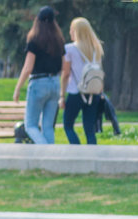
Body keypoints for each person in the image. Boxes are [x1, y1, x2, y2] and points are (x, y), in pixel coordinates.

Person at [12, 6, 66, 145]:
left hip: (38, 83)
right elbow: (65, 68)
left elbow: (28, 67)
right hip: (55, 82)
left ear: (37, 20)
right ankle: (51, 159)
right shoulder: (59, 41)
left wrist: (18, 88)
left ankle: (46, 151)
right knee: (48, 127)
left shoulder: (34, 40)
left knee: (30, 126)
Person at [59, 17, 104, 145]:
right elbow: (100, 71)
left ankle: (78, 152)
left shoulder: (69, 49)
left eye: (71, 30)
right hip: (93, 92)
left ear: (76, 31)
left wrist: (62, 95)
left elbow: (66, 73)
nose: (70, 32)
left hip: (76, 92)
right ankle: (92, 157)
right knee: (89, 129)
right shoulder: (97, 48)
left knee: (68, 126)